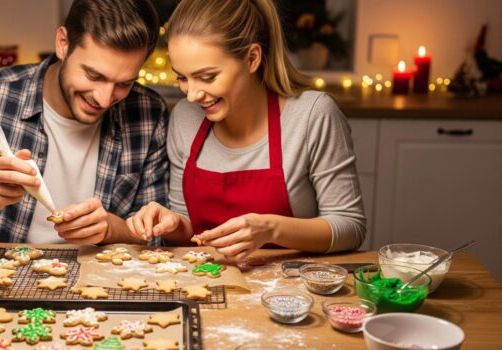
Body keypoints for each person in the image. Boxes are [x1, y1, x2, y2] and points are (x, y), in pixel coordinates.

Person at [0, 0, 168, 244]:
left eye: (124, 83)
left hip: (101, 284)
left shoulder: (148, 112)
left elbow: (157, 238)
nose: (105, 98)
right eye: (93, 75)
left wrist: (111, 229)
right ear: (63, 43)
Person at [126, 0, 366, 261]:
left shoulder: (312, 115)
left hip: (289, 292)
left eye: (207, 77)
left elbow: (350, 227)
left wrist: (271, 229)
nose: (192, 95)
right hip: (208, 283)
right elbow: (189, 229)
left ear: (252, 58)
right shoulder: (185, 118)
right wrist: (172, 223)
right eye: (182, 77)